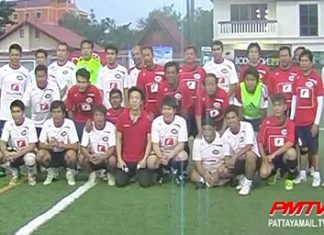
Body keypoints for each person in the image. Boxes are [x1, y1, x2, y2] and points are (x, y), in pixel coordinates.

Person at [290, 50, 323, 187]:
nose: (303, 63)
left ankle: (317, 175)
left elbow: (321, 101)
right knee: (302, 149)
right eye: (301, 61)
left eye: (306, 61)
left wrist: (316, 123)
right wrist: (291, 119)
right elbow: (294, 99)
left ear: (311, 62)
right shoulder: (297, 78)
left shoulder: (316, 79)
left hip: (311, 122)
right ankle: (302, 174)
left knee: (313, 150)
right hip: (299, 122)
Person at [259, 94, 298, 190]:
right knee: (263, 174)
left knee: (291, 153)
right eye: (275, 105)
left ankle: (291, 172)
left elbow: (290, 143)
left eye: (279, 105)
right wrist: (264, 157)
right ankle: (276, 171)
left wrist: (274, 154)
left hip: (282, 155)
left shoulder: (290, 123)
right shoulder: (266, 122)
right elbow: (260, 142)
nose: (277, 108)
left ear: (284, 107)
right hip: (270, 157)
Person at [115, 87, 153, 187]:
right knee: (119, 183)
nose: (134, 101)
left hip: (140, 160)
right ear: (128, 101)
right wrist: (119, 159)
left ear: (141, 102)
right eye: (132, 98)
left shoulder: (147, 118)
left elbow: (149, 141)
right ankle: (130, 174)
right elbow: (118, 139)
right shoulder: (122, 117)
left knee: (145, 184)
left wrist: (144, 159)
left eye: (137, 98)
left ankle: (139, 174)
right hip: (125, 160)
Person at [147, 96, 189, 186]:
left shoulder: (181, 121)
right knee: (150, 162)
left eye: (169, 109)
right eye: (164, 109)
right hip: (161, 151)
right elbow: (155, 144)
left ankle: (179, 174)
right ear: (161, 110)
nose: (166, 112)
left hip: (174, 151)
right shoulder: (156, 122)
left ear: (174, 111)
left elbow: (181, 144)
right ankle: (163, 171)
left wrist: (169, 156)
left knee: (183, 156)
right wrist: (161, 156)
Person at [37, 101, 79, 186]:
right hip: (52, 152)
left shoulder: (69, 124)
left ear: (63, 114)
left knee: (72, 155)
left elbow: (75, 145)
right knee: (40, 155)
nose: (56, 115)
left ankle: (70, 172)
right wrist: (50, 146)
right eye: (54, 112)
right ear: (51, 113)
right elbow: (40, 144)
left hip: (64, 153)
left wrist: (61, 145)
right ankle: (51, 171)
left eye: (59, 112)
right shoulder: (47, 124)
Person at [222, 106, 261, 196]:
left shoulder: (247, 126)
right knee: (222, 171)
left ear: (238, 118)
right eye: (228, 118)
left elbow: (249, 146)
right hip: (239, 160)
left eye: (233, 117)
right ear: (225, 120)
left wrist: (234, 157)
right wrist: (228, 162)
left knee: (249, 155)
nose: (231, 121)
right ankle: (241, 177)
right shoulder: (225, 136)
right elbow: (227, 156)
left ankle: (247, 183)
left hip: (254, 159)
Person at [0, 100, 38, 186]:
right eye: (13, 112)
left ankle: (31, 174)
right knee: (2, 154)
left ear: (23, 112)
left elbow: (32, 145)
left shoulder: (30, 123)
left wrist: (18, 154)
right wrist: (5, 152)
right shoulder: (8, 124)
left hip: (27, 151)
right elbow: (2, 141)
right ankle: (15, 173)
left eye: (18, 111)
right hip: (14, 151)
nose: (15, 114)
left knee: (30, 159)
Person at [80, 105, 117, 185]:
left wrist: (104, 157)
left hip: (106, 156)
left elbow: (112, 148)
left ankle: (110, 174)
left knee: (112, 160)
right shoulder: (88, 127)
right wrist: (89, 156)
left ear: (105, 116)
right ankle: (92, 173)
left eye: (101, 115)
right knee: (81, 157)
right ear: (93, 117)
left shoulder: (111, 128)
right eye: (96, 115)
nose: (98, 118)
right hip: (94, 157)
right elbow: (83, 146)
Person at [191, 117, 231, 188]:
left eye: (209, 129)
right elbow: (198, 163)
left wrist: (217, 173)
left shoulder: (223, 139)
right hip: (206, 168)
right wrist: (205, 175)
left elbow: (227, 160)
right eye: (204, 129)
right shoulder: (197, 141)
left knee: (225, 171)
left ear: (214, 129)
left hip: (219, 167)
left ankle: (207, 182)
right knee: (193, 175)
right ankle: (213, 182)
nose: (206, 132)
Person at [0, 44, 29, 136]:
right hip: (4, 114)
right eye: (12, 55)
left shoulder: (25, 72)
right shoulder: (2, 71)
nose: (14, 57)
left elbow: (26, 93)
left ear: (20, 56)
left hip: (19, 116)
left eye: (17, 55)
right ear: (9, 56)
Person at [23, 65, 61, 137]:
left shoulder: (53, 86)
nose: (41, 79)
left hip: (50, 124)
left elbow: (57, 105)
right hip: (35, 125)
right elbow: (23, 105)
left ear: (47, 76)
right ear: (35, 77)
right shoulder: (30, 88)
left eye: (43, 76)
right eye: (38, 77)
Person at [66, 68, 102, 140]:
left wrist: (92, 120)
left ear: (89, 82)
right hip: (78, 121)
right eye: (79, 82)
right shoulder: (72, 91)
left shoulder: (95, 91)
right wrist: (73, 126)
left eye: (83, 82)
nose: (81, 85)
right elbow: (69, 110)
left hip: (93, 120)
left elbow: (99, 109)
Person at [233, 67, 268, 132]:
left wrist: (263, 125)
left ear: (257, 81)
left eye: (252, 80)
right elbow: (239, 110)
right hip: (244, 118)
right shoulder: (239, 88)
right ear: (244, 80)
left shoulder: (262, 88)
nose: (250, 82)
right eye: (247, 80)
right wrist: (240, 125)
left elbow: (263, 110)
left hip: (258, 119)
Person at [268, 46, 300, 112]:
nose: (284, 58)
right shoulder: (272, 74)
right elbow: (270, 94)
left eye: (286, 56)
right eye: (282, 56)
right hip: (279, 111)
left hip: (295, 110)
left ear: (290, 57)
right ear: (279, 58)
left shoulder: (298, 72)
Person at [136, 46, 165, 118]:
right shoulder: (141, 75)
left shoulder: (162, 70)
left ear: (153, 55)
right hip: (149, 113)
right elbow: (140, 96)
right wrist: (144, 113)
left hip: (164, 111)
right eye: (144, 56)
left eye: (148, 55)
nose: (146, 58)